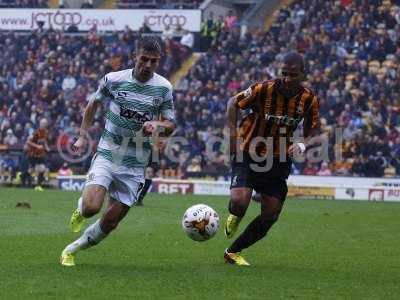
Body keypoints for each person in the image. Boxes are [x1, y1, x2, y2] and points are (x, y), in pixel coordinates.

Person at [60, 36, 176, 266]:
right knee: (92, 208)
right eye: (144, 59)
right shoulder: (113, 80)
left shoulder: (164, 88)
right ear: (135, 56)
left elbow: (171, 125)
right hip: (108, 152)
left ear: (159, 61)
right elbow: (93, 105)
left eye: (154, 61)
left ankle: (71, 250)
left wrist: (159, 127)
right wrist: (83, 136)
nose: (148, 65)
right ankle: (81, 209)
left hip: (136, 163)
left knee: (111, 221)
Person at [224, 52, 320, 265]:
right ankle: (235, 215)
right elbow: (233, 102)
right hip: (248, 152)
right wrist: (232, 134)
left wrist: (303, 143)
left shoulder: (309, 99)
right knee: (240, 202)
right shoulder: (263, 89)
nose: (287, 79)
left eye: (292, 75)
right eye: (284, 74)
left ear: (303, 74)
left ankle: (233, 252)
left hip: (279, 160)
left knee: (271, 214)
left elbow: (314, 129)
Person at [25, 118, 50, 190]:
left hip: (40, 154)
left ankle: (38, 186)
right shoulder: (36, 132)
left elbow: (44, 141)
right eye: (42, 123)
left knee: (42, 169)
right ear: (40, 124)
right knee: (31, 170)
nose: (44, 125)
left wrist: (47, 147)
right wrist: (37, 146)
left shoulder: (46, 132)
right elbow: (28, 142)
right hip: (33, 154)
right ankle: (25, 181)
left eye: (45, 123)